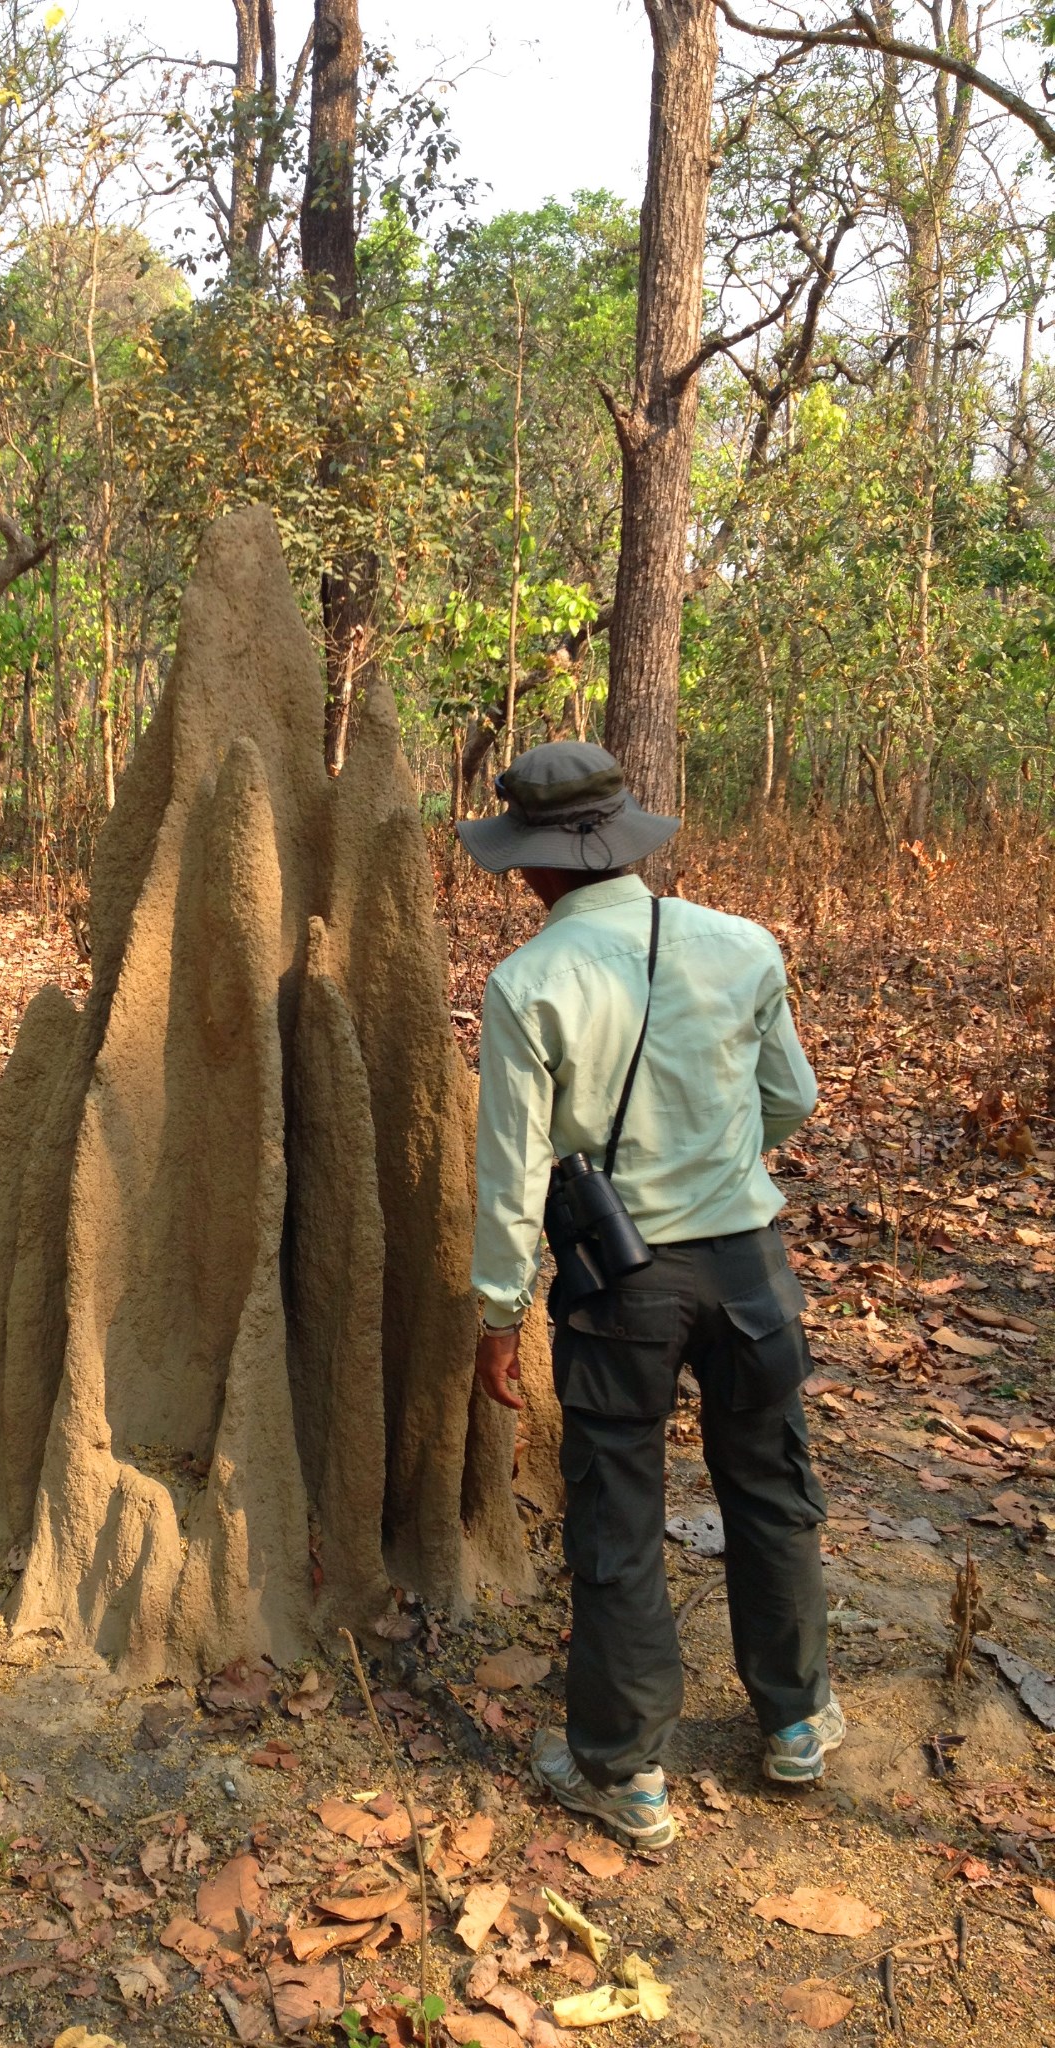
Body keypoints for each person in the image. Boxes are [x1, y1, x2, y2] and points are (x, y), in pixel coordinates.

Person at [458, 740, 841, 1852]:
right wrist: (716, 1158)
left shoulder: (529, 983)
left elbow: (513, 1171)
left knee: (618, 1516)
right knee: (772, 1491)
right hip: (750, 1268)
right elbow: (794, 1099)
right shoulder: (741, 944)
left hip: (619, 1286)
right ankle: (799, 1719)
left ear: (534, 865)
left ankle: (625, 1772)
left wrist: (498, 1313)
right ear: (625, 842)